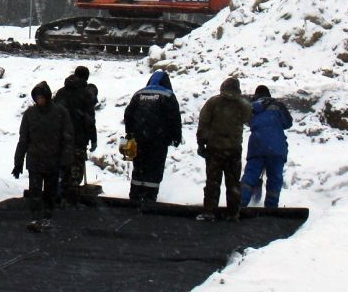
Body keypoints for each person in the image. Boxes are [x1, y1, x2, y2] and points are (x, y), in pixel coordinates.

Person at [13, 81, 74, 230]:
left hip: (53, 159)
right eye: (36, 98)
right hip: (35, 159)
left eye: (41, 97)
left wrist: (66, 159)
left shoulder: (60, 112)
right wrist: (18, 162)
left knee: (50, 191)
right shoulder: (29, 114)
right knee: (34, 190)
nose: (39, 100)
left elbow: (67, 137)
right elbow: (23, 139)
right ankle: (35, 217)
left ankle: (47, 216)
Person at [195, 77, 253, 221]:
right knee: (233, 182)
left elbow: (203, 123)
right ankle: (233, 213)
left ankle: (209, 212)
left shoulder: (213, 102)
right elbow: (248, 119)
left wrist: (201, 143)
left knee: (212, 182)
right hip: (233, 149)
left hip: (214, 148)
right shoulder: (243, 105)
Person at [123, 70, 182, 203]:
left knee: (139, 166)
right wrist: (176, 136)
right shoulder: (168, 95)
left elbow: (128, 114)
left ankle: (135, 195)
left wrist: (130, 133)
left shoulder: (139, 94)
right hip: (159, 139)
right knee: (155, 166)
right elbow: (174, 118)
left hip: (138, 138)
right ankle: (150, 197)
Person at [240, 85, 293, 208]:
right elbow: (288, 123)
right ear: (268, 94)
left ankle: (240, 204)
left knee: (250, 176)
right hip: (276, 147)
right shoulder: (278, 105)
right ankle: (271, 209)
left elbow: (246, 121)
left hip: (257, 146)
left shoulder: (251, 107)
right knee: (275, 179)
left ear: (256, 95)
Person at [53, 66, 97, 205]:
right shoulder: (86, 95)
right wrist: (93, 139)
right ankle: (71, 200)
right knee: (75, 170)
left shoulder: (61, 92)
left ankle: (58, 195)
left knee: (61, 167)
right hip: (78, 138)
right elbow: (89, 120)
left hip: (60, 137)